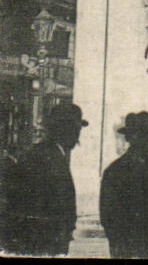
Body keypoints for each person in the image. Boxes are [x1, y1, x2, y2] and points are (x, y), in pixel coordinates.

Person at [1, 102, 86, 256]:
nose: (77, 136)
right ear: (66, 129)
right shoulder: (53, 159)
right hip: (44, 243)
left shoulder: (39, 154)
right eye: (76, 129)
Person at [101, 111, 148, 259]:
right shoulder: (114, 172)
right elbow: (108, 217)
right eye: (139, 134)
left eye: (147, 134)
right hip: (129, 248)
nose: (145, 139)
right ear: (129, 137)